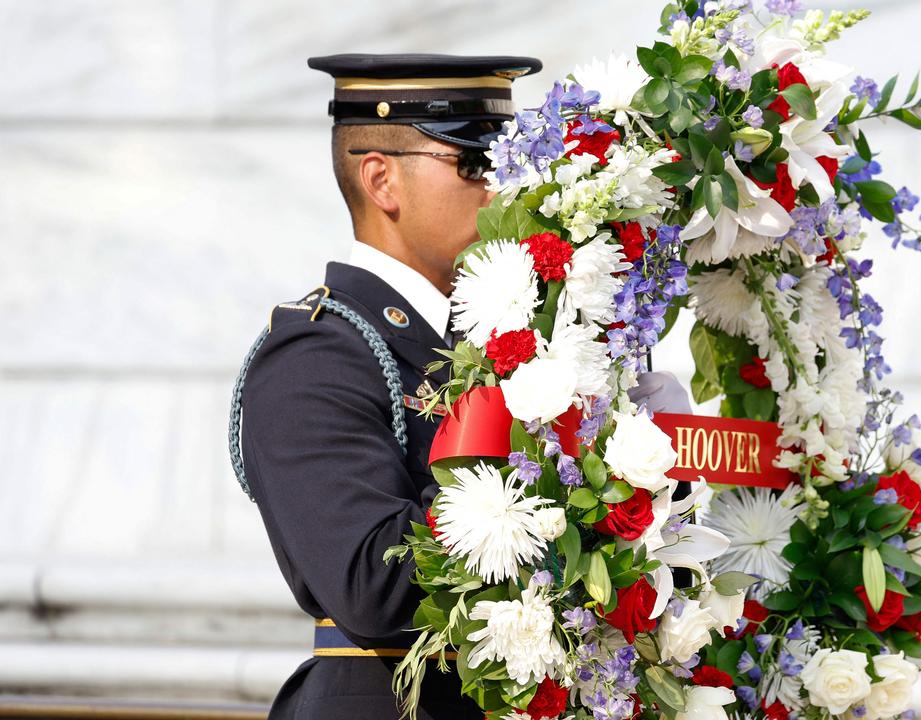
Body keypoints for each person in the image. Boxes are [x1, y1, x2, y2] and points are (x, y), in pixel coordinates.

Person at [229, 54, 690, 719]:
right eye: (474, 166)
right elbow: (371, 584)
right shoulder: (320, 352)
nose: (501, 188)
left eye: (506, 163)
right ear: (382, 179)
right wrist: (566, 472)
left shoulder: (503, 338)